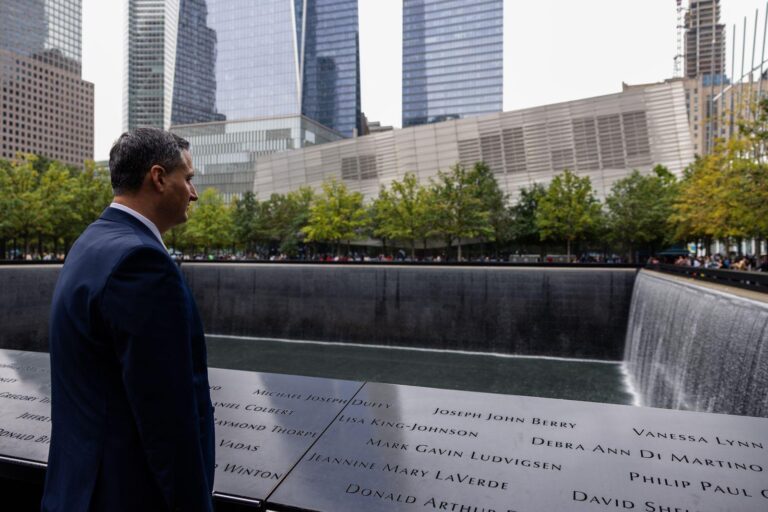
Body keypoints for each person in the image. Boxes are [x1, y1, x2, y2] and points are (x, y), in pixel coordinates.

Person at [42, 128, 215, 512]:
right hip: (125, 495)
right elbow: (167, 418)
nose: (193, 193)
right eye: (188, 178)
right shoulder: (141, 263)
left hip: (77, 487)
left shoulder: (90, 242)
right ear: (157, 177)